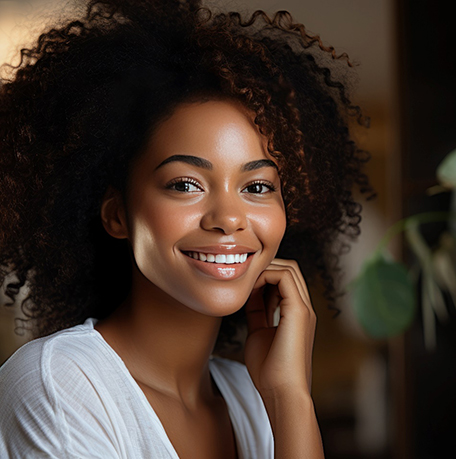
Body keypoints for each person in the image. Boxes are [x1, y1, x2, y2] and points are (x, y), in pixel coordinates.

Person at [0, 0, 372, 457]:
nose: (230, 218)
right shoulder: (61, 384)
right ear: (117, 214)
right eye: (185, 184)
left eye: (257, 185)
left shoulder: (254, 398)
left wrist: (289, 398)